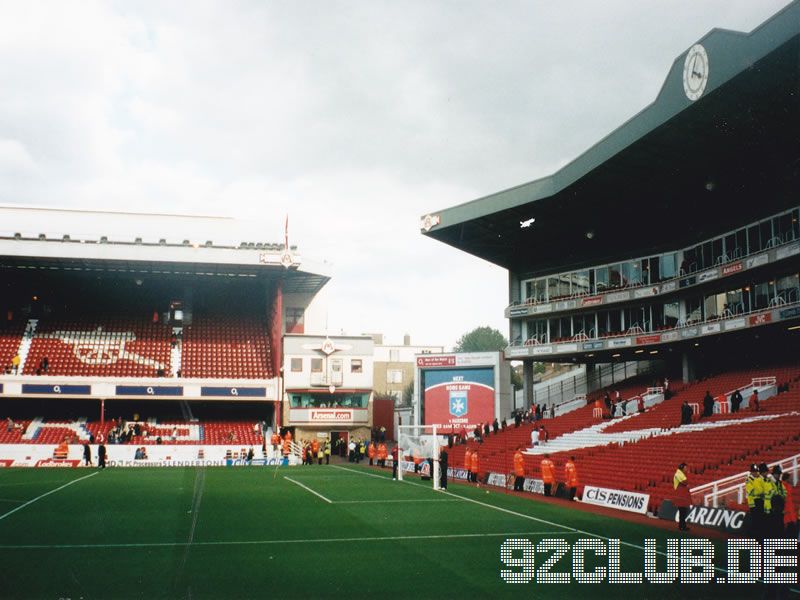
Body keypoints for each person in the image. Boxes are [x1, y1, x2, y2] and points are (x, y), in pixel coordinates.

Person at [746, 463, 766, 542]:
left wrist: (761, 492)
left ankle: (759, 537)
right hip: (753, 504)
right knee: (754, 521)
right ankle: (753, 538)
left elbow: (764, 488)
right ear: (751, 472)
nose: (755, 473)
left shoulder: (760, 478)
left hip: (761, 502)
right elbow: (751, 491)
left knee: (760, 521)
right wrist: (760, 493)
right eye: (754, 471)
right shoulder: (748, 479)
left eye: (756, 471)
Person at [673, 463, 691, 531]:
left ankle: (681, 526)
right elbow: (686, 482)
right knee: (683, 511)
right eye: (686, 467)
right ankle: (682, 526)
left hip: (680, 494)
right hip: (680, 495)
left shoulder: (679, 473)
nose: (686, 469)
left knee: (682, 512)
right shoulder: (679, 474)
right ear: (682, 468)